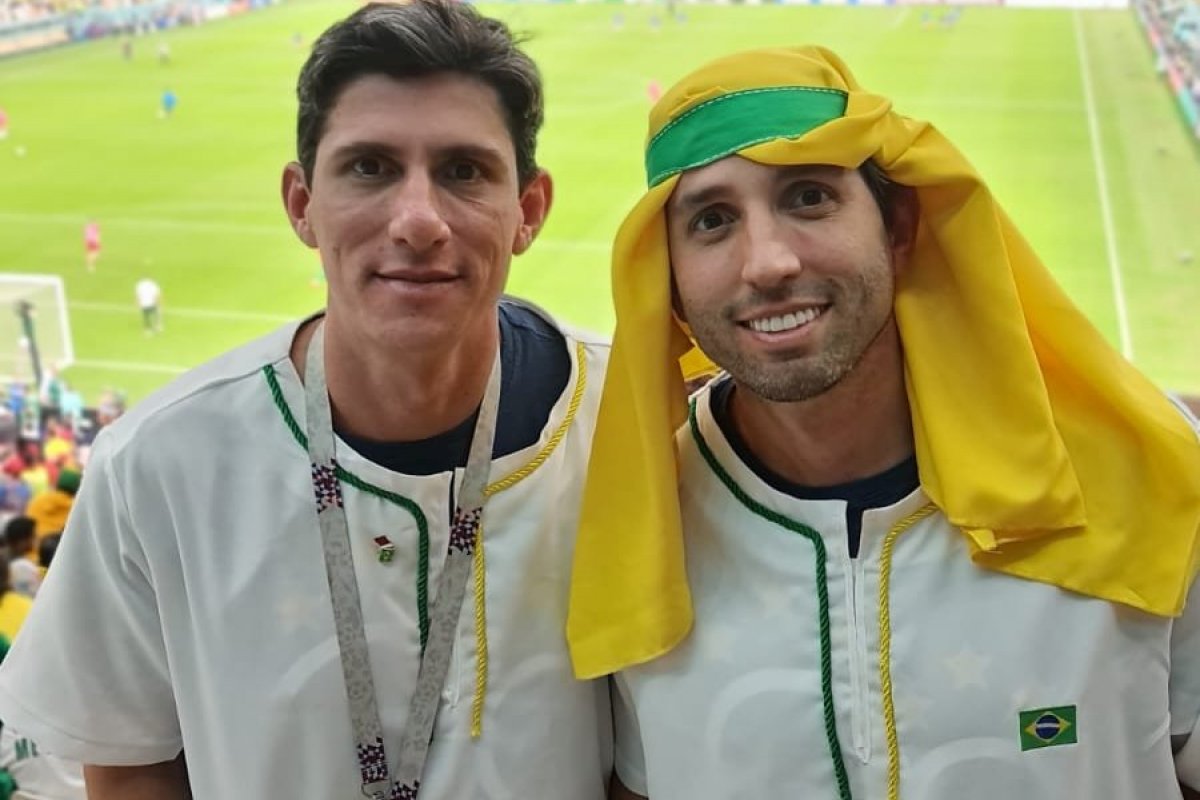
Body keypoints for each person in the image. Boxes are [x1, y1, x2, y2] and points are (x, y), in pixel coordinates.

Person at [0, 2, 613, 799]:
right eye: (370, 167)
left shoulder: (627, 422)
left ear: (528, 209)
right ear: (301, 204)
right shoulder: (155, 468)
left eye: (464, 171)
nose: (418, 221)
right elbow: (129, 764)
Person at [565, 46, 1200, 799]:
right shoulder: (636, 526)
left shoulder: (1148, 472)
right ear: (666, 280)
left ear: (898, 226)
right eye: (712, 220)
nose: (767, 263)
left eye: (808, 197)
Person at [2, 518, 38, 599]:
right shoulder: (4, 563)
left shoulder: (22, 560)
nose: (36, 539)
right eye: (33, 536)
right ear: (22, 540)